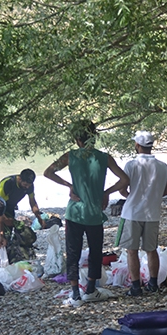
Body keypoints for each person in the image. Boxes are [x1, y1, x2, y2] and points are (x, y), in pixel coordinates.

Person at [44, 120, 129, 307]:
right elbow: (124, 179)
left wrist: (69, 185)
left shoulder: (70, 156)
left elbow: (48, 172)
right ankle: (90, 290)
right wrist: (106, 193)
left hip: (74, 212)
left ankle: (75, 293)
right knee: (95, 251)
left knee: (73, 252)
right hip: (94, 213)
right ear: (94, 136)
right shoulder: (105, 157)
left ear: (77, 139)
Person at [118, 131, 167, 296]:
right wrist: (152, 197)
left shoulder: (131, 165)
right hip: (152, 213)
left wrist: (132, 197)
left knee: (132, 251)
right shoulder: (163, 166)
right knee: (151, 249)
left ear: (137, 145)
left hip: (132, 213)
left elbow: (122, 188)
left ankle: (135, 287)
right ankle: (153, 284)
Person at [0, 169, 45, 246]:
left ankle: (8, 254)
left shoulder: (29, 186)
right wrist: (5, 219)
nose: (27, 187)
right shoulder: (8, 183)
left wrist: (39, 219)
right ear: (19, 179)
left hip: (10, 208)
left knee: (8, 235)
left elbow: (32, 202)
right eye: (25, 185)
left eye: (29, 185)